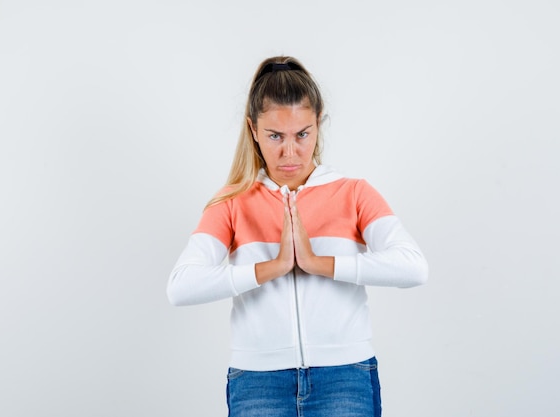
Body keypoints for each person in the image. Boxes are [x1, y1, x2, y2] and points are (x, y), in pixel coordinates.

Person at [167, 56, 428, 417]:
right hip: (257, 380)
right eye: (275, 136)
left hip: (345, 376)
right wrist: (271, 268)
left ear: (318, 125)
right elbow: (180, 286)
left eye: (302, 134)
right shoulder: (231, 202)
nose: (289, 152)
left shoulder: (353, 193)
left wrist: (317, 263)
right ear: (253, 130)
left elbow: (413, 268)